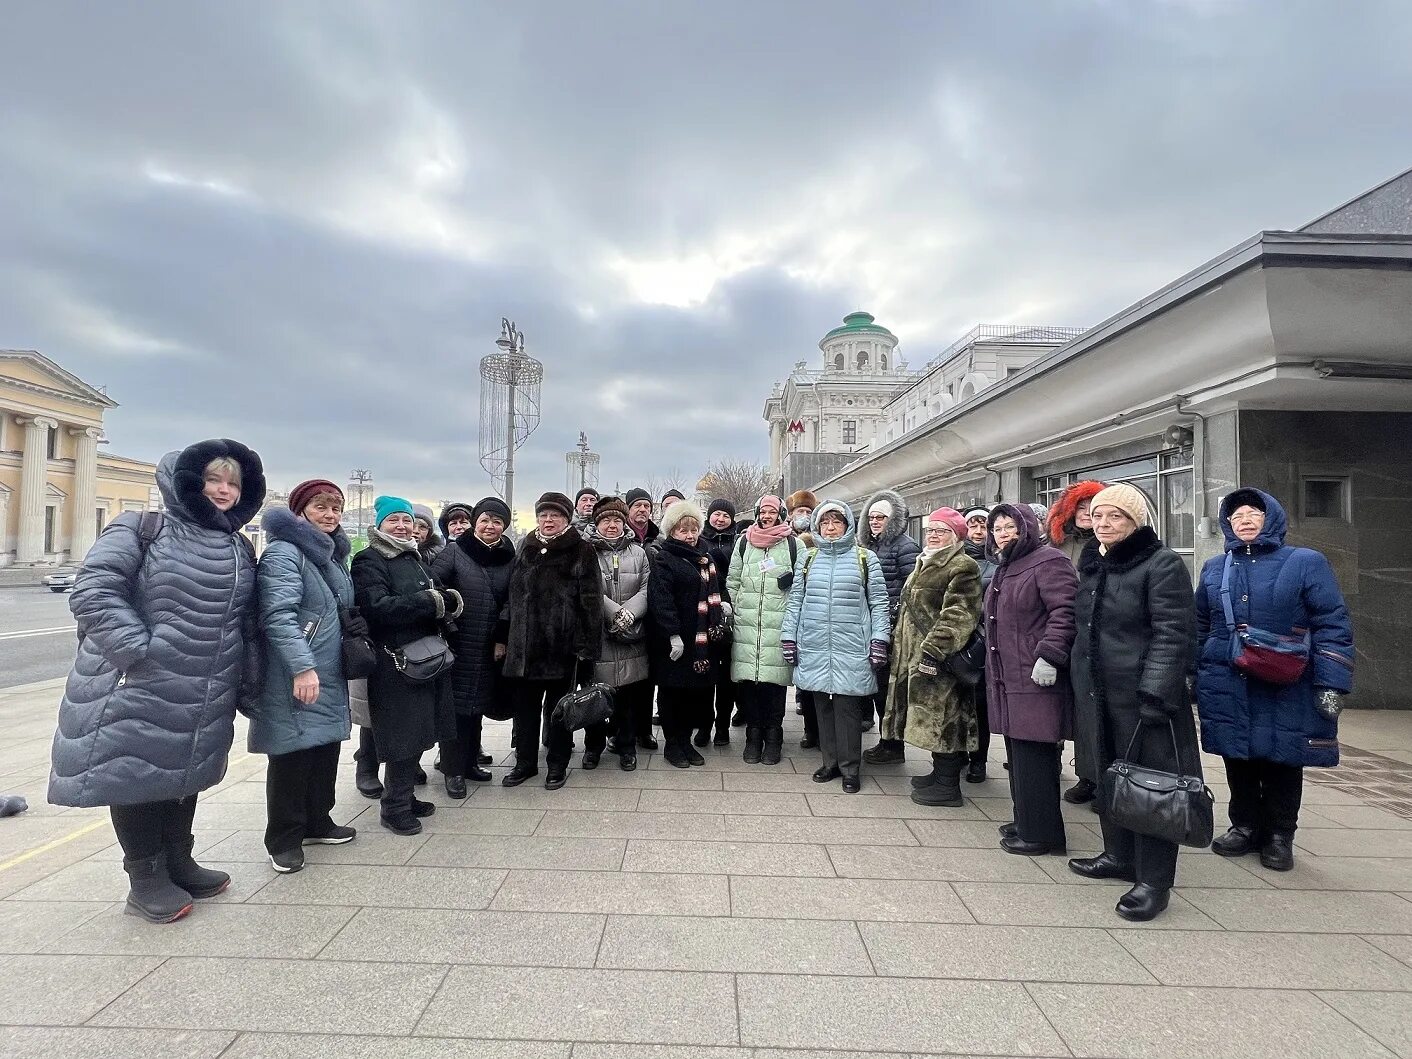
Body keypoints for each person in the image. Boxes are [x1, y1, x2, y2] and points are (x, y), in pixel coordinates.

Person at [50, 439, 266, 923]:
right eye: (213, 479)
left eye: (233, 482)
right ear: (186, 480)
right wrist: (138, 652)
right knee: (134, 774)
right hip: (136, 681)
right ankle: (145, 877)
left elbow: (243, 620)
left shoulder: (237, 544)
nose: (224, 490)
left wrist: (247, 677)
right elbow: (94, 590)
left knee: (183, 771)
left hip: (204, 684)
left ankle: (178, 860)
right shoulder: (143, 527)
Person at [1196, 488, 1354, 872]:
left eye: (1254, 513)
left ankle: (1281, 834)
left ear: (1273, 518)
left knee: (1284, 756)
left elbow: (1332, 623)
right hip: (1229, 675)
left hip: (1289, 677)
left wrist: (1331, 681)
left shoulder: (1306, 562)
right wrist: (1192, 671)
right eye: (1236, 516)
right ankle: (1244, 825)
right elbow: (1200, 623)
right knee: (1238, 752)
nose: (1245, 520)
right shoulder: (1217, 567)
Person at [1067, 483, 1197, 922]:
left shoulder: (1161, 564)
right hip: (1097, 694)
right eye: (1099, 516)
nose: (1104, 524)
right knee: (1108, 774)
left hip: (1144, 700)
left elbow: (1173, 632)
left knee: (1150, 788)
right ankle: (1118, 856)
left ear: (1136, 521)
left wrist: (1156, 692)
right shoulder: (1096, 564)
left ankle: (1154, 882)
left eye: (1115, 517)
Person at [252, 479, 360, 875]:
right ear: (300, 511)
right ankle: (283, 838)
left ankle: (317, 820)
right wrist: (302, 666)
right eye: (320, 507)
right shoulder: (285, 553)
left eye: (336, 508)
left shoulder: (329, 555)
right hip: (298, 670)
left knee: (324, 746)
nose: (330, 515)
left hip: (328, 668)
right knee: (293, 752)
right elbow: (277, 615)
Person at [353, 496, 461, 835]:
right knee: (403, 734)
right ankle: (394, 807)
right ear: (380, 525)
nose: (401, 526)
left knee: (421, 730)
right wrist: (430, 602)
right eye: (394, 521)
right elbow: (376, 606)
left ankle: (406, 795)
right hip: (395, 661)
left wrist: (448, 599)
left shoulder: (412, 556)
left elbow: (434, 591)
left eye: (406, 520)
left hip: (425, 657)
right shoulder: (369, 559)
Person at [984, 503, 1078, 855]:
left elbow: (1065, 610)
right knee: (1018, 753)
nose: (1003, 533)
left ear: (1027, 527)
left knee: (1034, 756)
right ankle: (1026, 819)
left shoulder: (1049, 560)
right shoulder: (1007, 566)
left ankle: (1043, 834)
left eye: (1010, 526)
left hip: (1035, 676)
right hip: (1008, 676)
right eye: (998, 528)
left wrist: (1050, 654)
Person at [782, 501, 889, 794]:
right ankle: (829, 762)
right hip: (815, 642)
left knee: (848, 707)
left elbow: (879, 603)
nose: (830, 528)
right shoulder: (807, 559)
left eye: (836, 522)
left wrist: (880, 639)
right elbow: (796, 602)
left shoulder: (864, 558)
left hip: (852, 642)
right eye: (824, 523)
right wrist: (789, 637)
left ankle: (850, 768)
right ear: (817, 526)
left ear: (847, 526)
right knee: (822, 707)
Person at [502, 492, 603, 790]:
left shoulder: (581, 549)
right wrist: (505, 637)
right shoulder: (526, 546)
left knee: (559, 711)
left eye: (555, 515)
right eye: (544, 515)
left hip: (562, 648)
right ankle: (525, 764)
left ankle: (556, 765)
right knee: (525, 712)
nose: (548, 520)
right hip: (524, 648)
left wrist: (586, 647)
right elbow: (512, 594)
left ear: (567, 518)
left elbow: (591, 601)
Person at [884, 507, 983, 806]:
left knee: (945, 717)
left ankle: (948, 786)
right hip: (913, 656)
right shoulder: (925, 561)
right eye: (931, 530)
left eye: (942, 531)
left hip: (938, 657)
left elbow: (958, 615)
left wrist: (934, 651)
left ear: (956, 536)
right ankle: (938, 773)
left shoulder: (962, 566)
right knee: (927, 716)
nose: (935, 535)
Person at [429, 498, 516, 797]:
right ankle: (452, 770)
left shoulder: (508, 556)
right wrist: (449, 621)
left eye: (497, 521)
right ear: (475, 522)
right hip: (458, 642)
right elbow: (432, 587)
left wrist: (502, 637)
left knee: (477, 705)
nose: (490, 526)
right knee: (456, 709)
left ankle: (470, 764)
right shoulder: (454, 551)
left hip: (490, 645)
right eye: (485, 520)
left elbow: (511, 601)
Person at [648, 501, 728, 767]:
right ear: (672, 531)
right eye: (683, 530)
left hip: (700, 641)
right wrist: (672, 634)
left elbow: (715, 591)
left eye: (694, 529)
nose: (690, 535)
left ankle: (686, 741)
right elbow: (661, 600)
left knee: (694, 694)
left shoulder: (705, 558)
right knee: (672, 693)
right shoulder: (664, 558)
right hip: (676, 641)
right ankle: (673, 743)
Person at [1045, 480, 1109, 805]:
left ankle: (1094, 778)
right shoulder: (1056, 544)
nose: (1086, 513)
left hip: (1095, 637)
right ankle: (1051, 764)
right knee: (1056, 704)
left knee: (1091, 711)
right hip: (1058, 632)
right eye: (1081, 507)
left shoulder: (1108, 542)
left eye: (1093, 507)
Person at [727, 494, 797, 765]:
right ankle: (753, 736)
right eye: (763, 512)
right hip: (747, 625)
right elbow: (733, 579)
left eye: (772, 512)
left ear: (780, 513)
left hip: (778, 625)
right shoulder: (744, 542)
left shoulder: (793, 544)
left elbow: (801, 582)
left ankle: (774, 736)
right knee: (750, 685)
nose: (767, 516)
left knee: (774, 684)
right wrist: (738, 606)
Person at [585, 497, 652, 771]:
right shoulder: (586, 552)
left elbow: (647, 588)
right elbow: (587, 589)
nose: (611, 525)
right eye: (605, 521)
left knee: (628, 698)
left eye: (617, 521)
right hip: (598, 635)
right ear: (597, 524)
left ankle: (626, 746)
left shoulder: (638, 552)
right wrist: (614, 613)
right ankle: (593, 748)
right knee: (595, 699)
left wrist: (629, 614)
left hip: (631, 635)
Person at [860, 489, 922, 755]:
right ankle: (887, 739)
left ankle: (892, 745)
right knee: (879, 687)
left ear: (892, 519)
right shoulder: (868, 546)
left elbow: (914, 589)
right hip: (873, 624)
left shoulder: (905, 547)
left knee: (889, 689)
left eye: (881, 518)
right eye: (871, 517)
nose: (875, 521)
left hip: (892, 628)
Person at [958, 505, 997, 782]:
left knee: (979, 704)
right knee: (957, 701)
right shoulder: (956, 557)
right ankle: (958, 751)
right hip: (957, 639)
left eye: (984, 525)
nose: (979, 530)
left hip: (982, 640)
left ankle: (978, 760)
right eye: (973, 525)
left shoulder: (1000, 561)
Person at [698, 498, 740, 747]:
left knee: (727, 677)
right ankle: (704, 725)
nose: (721, 519)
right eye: (717, 514)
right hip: (703, 613)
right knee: (705, 674)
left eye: (726, 515)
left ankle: (722, 726)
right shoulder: (699, 540)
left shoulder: (740, 543)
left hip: (731, 614)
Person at [784, 489, 821, 748]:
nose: (804, 516)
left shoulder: (821, 539)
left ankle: (820, 729)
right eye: (801, 512)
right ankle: (810, 727)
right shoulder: (785, 538)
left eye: (809, 512)